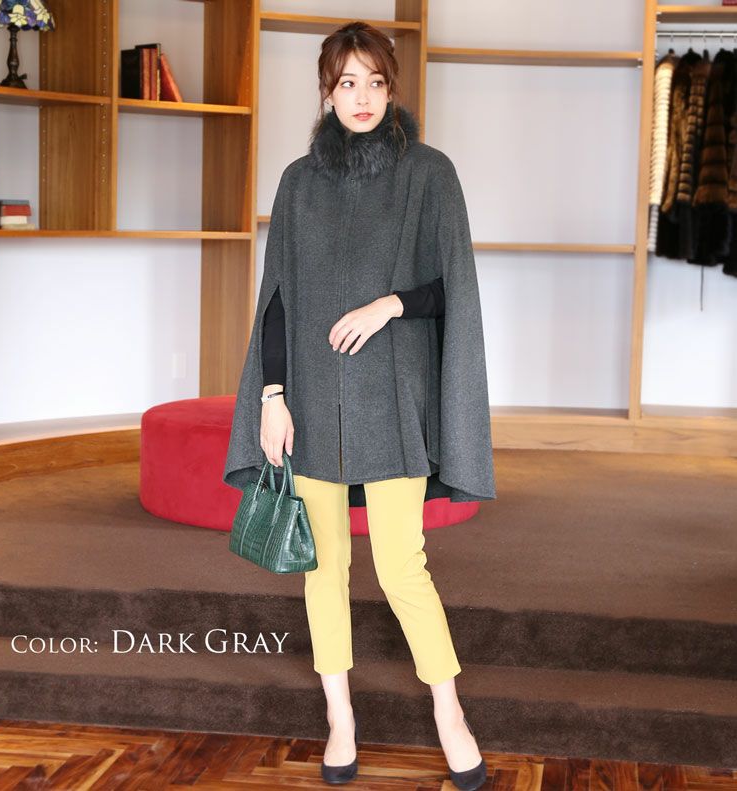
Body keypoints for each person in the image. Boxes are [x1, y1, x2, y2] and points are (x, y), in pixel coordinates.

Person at [223, 20, 495, 791]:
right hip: (310, 403)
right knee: (324, 569)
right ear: (327, 90)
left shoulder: (429, 174)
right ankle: (339, 716)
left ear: (391, 86)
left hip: (393, 402)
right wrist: (272, 396)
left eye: (375, 81)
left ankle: (450, 713)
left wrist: (389, 304)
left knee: (403, 567)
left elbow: (452, 287)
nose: (363, 96)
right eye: (348, 82)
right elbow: (277, 302)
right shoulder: (298, 183)